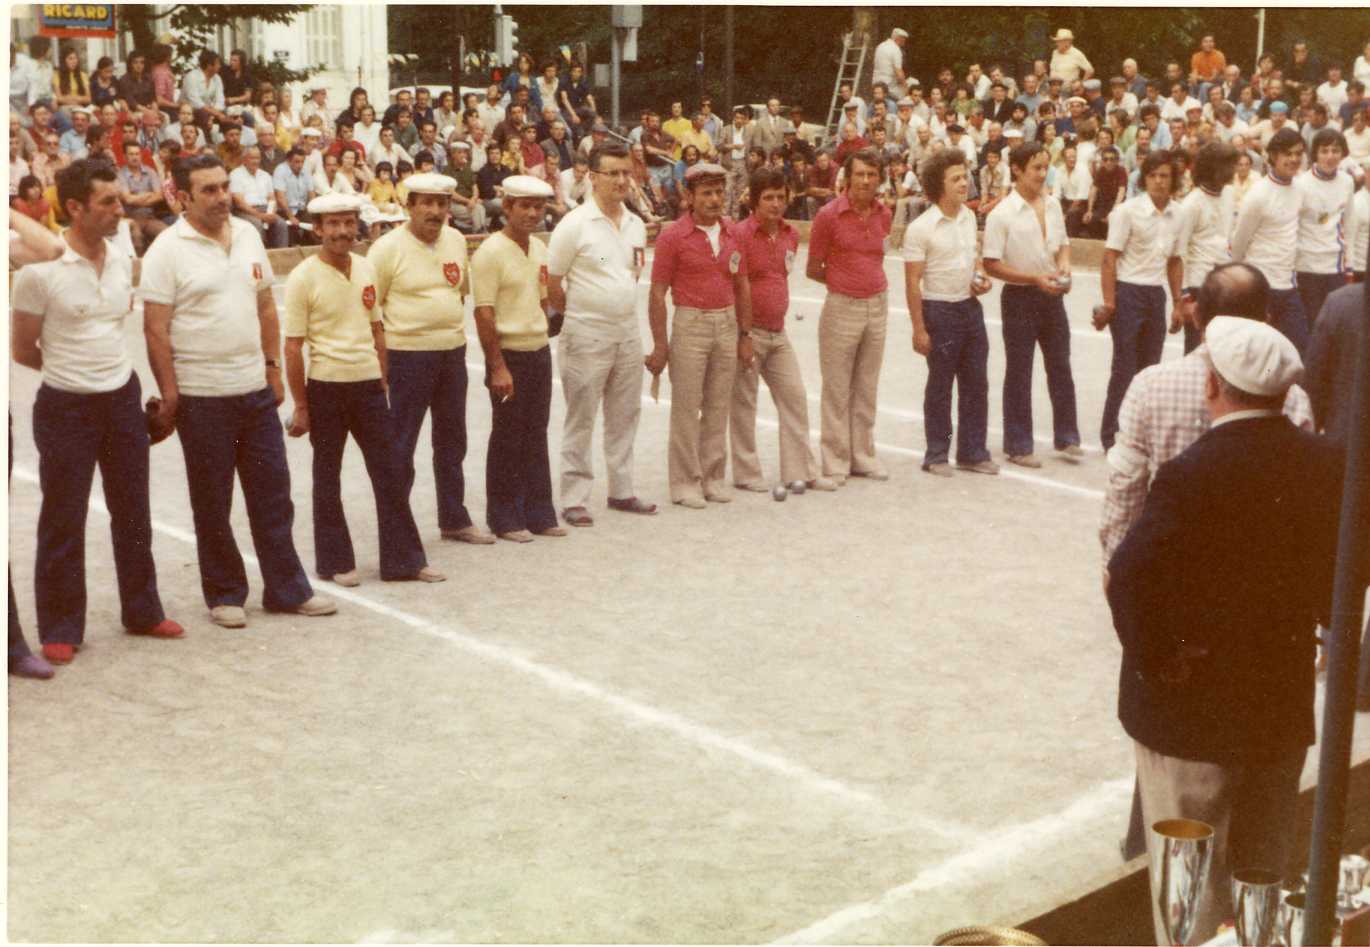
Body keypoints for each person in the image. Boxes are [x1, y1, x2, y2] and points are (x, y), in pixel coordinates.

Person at [1107, 315, 1342, 944]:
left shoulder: (1192, 471)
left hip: (1193, 712)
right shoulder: (1326, 460)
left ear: (1214, 383)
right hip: (1278, 701)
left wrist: (1165, 656)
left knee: (1191, 896)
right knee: (1263, 874)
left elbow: (1128, 576)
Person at [140, 155, 334, 628]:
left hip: (253, 390)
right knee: (213, 500)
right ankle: (225, 592)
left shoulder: (248, 235)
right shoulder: (167, 250)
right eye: (208, 190)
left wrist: (272, 368)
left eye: (224, 186)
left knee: (273, 496)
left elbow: (267, 305)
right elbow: (155, 330)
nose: (222, 197)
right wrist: (170, 394)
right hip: (202, 395)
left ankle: (287, 589)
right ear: (182, 197)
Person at [10, 160, 184, 666]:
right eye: (108, 202)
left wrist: (110, 381)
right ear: (74, 208)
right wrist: (74, 370)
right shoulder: (39, 272)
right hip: (66, 404)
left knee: (134, 510)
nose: (119, 209)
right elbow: (23, 350)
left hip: (121, 398)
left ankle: (143, 610)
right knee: (63, 518)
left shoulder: (121, 254)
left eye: (120, 199)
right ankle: (62, 626)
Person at [281, 192, 442, 587]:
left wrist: (382, 377)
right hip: (326, 388)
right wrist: (301, 405)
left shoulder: (366, 267)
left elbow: (376, 328)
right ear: (317, 229)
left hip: (368, 387)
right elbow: (293, 345)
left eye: (349, 223)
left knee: (390, 471)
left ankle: (404, 560)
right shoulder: (303, 277)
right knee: (328, 475)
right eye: (333, 225)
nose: (342, 232)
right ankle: (335, 562)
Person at [367, 172, 493, 545]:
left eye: (442, 203)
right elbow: (372, 310)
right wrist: (382, 364)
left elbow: (458, 294)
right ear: (410, 206)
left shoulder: (455, 240)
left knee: (452, 441)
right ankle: (396, 530)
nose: (436, 211)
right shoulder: (387, 249)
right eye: (427, 203)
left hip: (451, 354)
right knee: (401, 446)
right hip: (407, 357)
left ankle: (454, 518)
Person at [546, 142, 656, 525]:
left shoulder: (636, 224)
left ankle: (622, 490)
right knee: (582, 415)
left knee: (625, 414)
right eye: (613, 173)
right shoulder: (573, 225)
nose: (622, 180)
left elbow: (633, 273)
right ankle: (574, 497)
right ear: (593, 178)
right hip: (586, 333)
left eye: (627, 173)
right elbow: (553, 284)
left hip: (627, 332)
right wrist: (580, 314)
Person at [468, 175, 568, 542]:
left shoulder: (540, 250)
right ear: (507, 207)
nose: (531, 213)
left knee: (536, 432)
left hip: (538, 352)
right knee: (508, 436)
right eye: (523, 205)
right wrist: (497, 366)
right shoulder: (490, 253)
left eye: (538, 206)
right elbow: (484, 314)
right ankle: (505, 516)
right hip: (508, 355)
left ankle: (539, 512)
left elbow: (545, 303)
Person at [727, 167, 835, 494]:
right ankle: (747, 472)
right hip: (747, 332)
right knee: (744, 404)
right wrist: (743, 335)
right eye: (768, 198)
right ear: (753, 202)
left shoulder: (789, 234)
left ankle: (798, 470)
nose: (775, 204)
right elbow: (736, 285)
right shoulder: (740, 235)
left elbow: (781, 277)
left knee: (795, 398)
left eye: (780, 197)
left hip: (778, 333)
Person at [646, 162, 741, 508]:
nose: (715, 200)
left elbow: (740, 283)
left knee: (718, 404)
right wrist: (660, 344)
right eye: (707, 193)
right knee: (687, 408)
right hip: (691, 324)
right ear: (689, 197)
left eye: (719, 192)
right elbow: (657, 292)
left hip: (726, 322)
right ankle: (685, 482)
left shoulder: (733, 232)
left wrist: (743, 333)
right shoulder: (673, 236)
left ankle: (713, 476)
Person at [981, 142, 1081, 467]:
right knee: (1020, 371)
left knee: (1060, 364)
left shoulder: (1052, 205)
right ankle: (1018, 444)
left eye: (1044, 167)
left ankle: (1067, 436)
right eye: (1035, 168)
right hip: (1020, 298)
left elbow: (1063, 244)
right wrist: (1032, 279)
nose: (1041, 174)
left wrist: (1064, 267)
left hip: (1051, 294)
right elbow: (991, 264)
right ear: (1018, 170)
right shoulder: (1001, 214)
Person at [902, 149, 998, 478]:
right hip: (938, 310)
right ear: (938, 185)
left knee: (976, 383)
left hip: (970, 308)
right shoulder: (921, 228)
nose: (964, 182)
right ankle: (936, 453)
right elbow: (913, 282)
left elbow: (975, 261)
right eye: (955, 178)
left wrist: (980, 277)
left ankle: (972, 452)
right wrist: (919, 328)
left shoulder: (970, 218)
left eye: (965, 176)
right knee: (941, 384)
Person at [807, 148, 893, 484]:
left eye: (872, 175)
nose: (866, 181)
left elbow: (878, 257)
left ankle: (863, 455)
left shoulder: (884, 213)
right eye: (860, 174)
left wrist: (867, 286)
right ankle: (835, 458)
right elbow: (814, 267)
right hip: (842, 305)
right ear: (847, 177)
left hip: (878, 305)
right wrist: (847, 283)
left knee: (866, 386)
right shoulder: (828, 216)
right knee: (837, 386)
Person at [1096, 150, 1184, 451]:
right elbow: (1109, 259)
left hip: (1155, 295)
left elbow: (1175, 261)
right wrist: (1109, 303)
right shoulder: (1127, 211)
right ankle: (1111, 436)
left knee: (1151, 370)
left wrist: (1178, 303)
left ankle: (1139, 433)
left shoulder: (1179, 214)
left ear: (1173, 180)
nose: (1159, 182)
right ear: (1145, 178)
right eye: (1154, 176)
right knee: (1124, 368)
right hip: (1127, 292)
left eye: (1165, 176)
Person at [1230, 128, 1310, 353]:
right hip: (1261, 287)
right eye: (1287, 154)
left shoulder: (1300, 188)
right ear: (1273, 156)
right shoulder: (1258, 194)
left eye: (1298, 154)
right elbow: (1238, 244)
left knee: (1298, 352)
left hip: (1288, 286)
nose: (1294, 159)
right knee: (1258, 355)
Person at [1173, 142, 1239, 353]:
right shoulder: (1192, 204)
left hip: (1224, 284)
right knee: (1196, 349)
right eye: (1225, 165)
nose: (1232, 170)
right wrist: (1184, 299)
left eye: (1232, 164)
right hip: (1198, 286)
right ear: (1210, 168)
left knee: (1222, 350)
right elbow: (1179, 253)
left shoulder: (1229, 194)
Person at [1294, 128, 1355, 326]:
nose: (1330, 156)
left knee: (1337, 325)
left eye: (1335, 151)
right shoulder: (1300, 184)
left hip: (1335, 266)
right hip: (1306, 266)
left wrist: (1350, 265)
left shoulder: (1346, 181)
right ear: (1315, 154)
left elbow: (1350, 225)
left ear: (1343, 153)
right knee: (1314, 324)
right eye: (1324, 150)